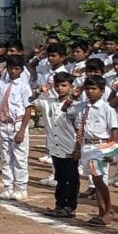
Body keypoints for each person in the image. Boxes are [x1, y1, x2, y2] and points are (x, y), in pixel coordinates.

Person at [77, 73, 118, 224]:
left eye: (93, 89)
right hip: (87, 145)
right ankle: (102, 211)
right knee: (95, 179)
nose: (89, 92)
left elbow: (113, 130)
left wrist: (111, 151)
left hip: (100, 145)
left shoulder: (107, 108)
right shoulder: (84, 107)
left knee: (100, 180)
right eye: (87, 89)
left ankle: (108, 211)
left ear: (101, 91)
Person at [40, 76, 81, 218]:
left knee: (71, 178)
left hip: (69, 146)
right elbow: (30, 100)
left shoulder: (75, 106)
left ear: (71, 86)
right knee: (60, 177)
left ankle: (70, 207)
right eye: (57, 85)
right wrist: (41, 89)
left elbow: (79, 128)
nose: (60, 88)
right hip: (55, 146)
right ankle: (59, 204)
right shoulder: (49, 102)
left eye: (64, 85)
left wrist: (78, 148)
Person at [0, 50, 33, 197]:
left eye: (16, 69)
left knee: (19, 157)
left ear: (21, 70)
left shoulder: (23, 86)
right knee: (6, 157)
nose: (13, 71)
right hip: (4, 123)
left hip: (17, 123)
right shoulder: (1, 83)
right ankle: (8, 186)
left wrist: (22, 130)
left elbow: (28, 108)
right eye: (10, 68)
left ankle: (21, 188)